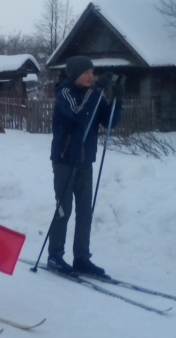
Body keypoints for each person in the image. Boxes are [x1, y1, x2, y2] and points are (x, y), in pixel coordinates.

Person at [42, 56, 124, 278]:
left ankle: (81, 258)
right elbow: (78, 111)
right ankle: (55, 256)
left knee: (85, 211)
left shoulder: (95, 95)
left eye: (92, 72)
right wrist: (97, 88)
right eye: (86, 72)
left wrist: (118, 97)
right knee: (63, 209)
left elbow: (109, 122)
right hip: (65, 159)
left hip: (86, 161)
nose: (91, 76)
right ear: (74, 74)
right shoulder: (65, 92)